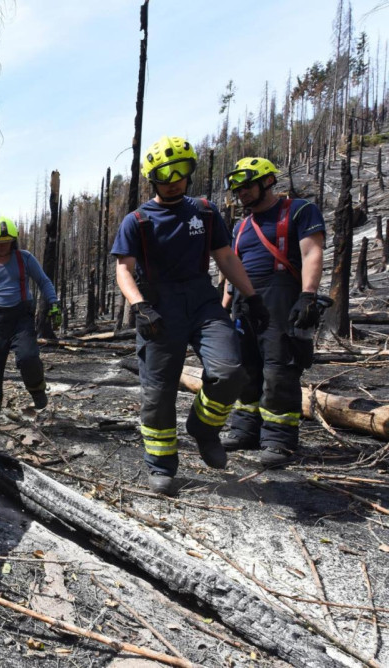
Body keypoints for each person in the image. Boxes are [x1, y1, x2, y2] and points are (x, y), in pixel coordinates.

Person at [110, 136, 269, 496]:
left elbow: (226, 258)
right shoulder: (137, 221)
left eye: (182, 171)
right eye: (167, 174)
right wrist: (139, 306)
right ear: (153, 177)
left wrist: (252, 298)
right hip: (157, 306)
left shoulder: (205, 212)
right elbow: (124, 268)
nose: (175, 180)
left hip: (202, 301)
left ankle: (203, 427)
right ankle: (162, 465)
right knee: (158, 391)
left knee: (230, 372)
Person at [220, 157, 326, 467]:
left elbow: (312, 252)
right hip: (244, 300)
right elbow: (230, 269)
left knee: (279, 369)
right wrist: (223, 308)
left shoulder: (299, 210)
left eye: (247, 187)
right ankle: (244, 429)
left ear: (267, 181)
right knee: (245, 367)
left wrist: (307, 295)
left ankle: (279, 440)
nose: (242, 194)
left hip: (280, 297)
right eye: (237, 190)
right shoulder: (240, 226)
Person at [0, 216, 61, 417]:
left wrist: (53, 302)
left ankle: (37, 390)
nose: (3, 247)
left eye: (7, 243)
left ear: (13, 241)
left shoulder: (25, 259)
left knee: (28, 357)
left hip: (21, 319)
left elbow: (43, 281)